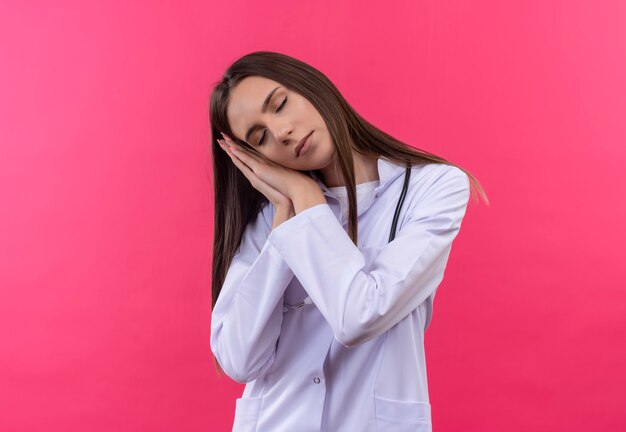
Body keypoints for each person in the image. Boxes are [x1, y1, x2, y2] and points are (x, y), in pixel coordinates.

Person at [208, 51, 488, 431]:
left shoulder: (433, 187)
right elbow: (239, 360)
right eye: (261, 138)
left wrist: (306, 200)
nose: (282, 132)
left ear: (312, 86)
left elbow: (360, 315)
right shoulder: (268, 220)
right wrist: (285, 227)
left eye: (281, 104)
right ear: (256, 159)